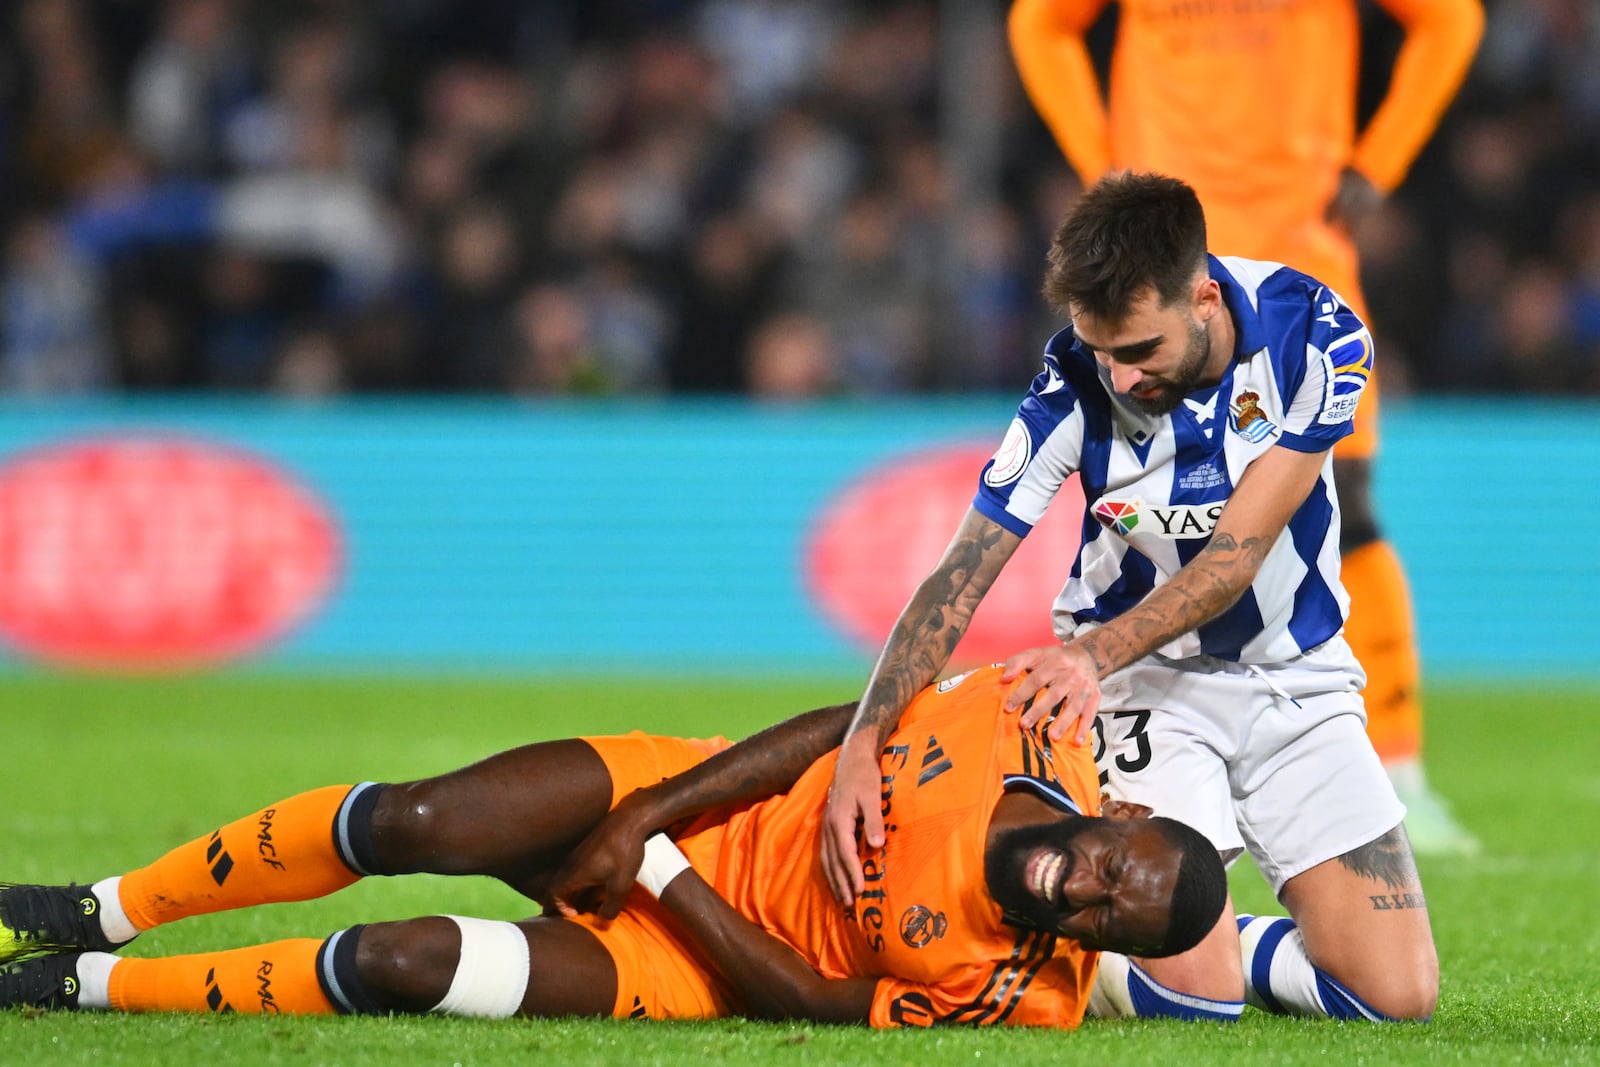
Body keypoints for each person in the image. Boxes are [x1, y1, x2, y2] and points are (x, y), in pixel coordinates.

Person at [821, 173, 1438, 1023]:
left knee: (1395, 998)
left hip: (1294, 674)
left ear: (1205, 297)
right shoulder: (1072, 380)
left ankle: (1210, 942)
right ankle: (1137, 957)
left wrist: (1084, 655)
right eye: (1099, 347)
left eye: (1141, 350)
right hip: (1145, 686)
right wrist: (863, 740)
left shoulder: (1318, 340)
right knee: (1198, 1002)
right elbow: (957, 577)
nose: (1120, 374)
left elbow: (1234, 558)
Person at [0, 664, 1225, 1028]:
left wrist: (660, 879)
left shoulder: (1020, 995)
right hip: (694, 799)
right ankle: (96, 907)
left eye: (1111, 920)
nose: (1092, 896)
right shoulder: (1022, 716)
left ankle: (77, 983)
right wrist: (650, 818)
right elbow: (828, 733)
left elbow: (804, 996)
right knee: (414, 821)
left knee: (397, 963)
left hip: (692, 954)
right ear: (1116, 817)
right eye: (1118, 869)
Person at [1006, 0, 1485, 855]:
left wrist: (1379, 162)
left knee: (1350, 508)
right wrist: (1101, 162)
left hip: (1301, 254)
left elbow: (1451, 20)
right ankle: (1153, 743)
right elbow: (1039, 23)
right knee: (1146, 498)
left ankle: (1396, 764)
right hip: (1161, 265)